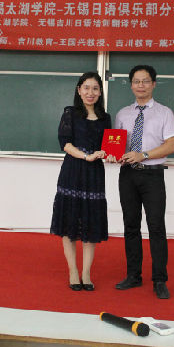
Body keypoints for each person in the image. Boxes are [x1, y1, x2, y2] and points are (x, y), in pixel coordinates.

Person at [112, 65, 174, 299]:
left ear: (153, 84)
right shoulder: (122, 114)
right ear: (131, 85)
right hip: (128, 175)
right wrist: (113, 154)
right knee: (131, 225)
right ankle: (133, 275)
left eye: (145, 81)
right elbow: (117, 144)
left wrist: (144, 154)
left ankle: (159, 279)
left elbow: (171, 145)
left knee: (156, 227)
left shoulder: (165, 113)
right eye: (136, 81)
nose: (141, 85)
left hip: (153, 175)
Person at [50, 72, 111, 292]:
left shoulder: (105, 118)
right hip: (73, 171)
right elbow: (65, 144)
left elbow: (108, 146)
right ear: (79, 90)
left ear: (100, 92)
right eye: (86, 87)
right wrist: (86, 156)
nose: (90, 92)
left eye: (95, 88)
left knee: (90, 222)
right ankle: (73, 271)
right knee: (70, 222)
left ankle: (86, 273)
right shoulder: (70, 113)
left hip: (94, 175)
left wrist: (108, 154)